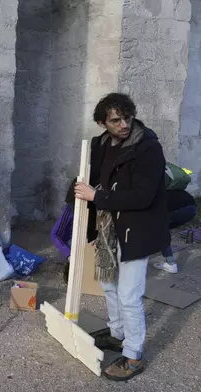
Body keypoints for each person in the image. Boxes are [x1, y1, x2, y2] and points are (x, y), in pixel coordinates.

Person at [74, 93, 170, 381]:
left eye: (127, 117)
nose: (124, 124)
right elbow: (94, 182)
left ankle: (133, 354)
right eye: (116, 120)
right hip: (107, 226)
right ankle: (117, 334)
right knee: (107, 283)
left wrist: (97, 195)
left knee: (129, 295)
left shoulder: (148, 147)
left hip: (137, 230)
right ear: (103, 122)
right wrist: (91, 225)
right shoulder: (100, 143)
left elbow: (143, 196)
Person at [55, 186, 197, 282]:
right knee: (158, 230)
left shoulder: (139, 202)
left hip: (184, 208)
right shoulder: (142, 197)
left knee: (156, 230)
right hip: (186, 206)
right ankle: (166, 260)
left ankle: (168, 263)